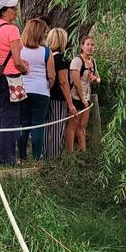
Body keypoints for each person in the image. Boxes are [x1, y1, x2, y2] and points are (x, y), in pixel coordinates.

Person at [0, 0, 30, 165]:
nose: (16, 10)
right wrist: (25, 69)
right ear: (4, 11)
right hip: (11, 77)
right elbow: (17, 60)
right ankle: (7, 157)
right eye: (13, 8)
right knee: (10, 117)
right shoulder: (12, 29)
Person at [17, 19, 55, 160]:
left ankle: (21, 156)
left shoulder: (19, 49)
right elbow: (51, 76)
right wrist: (48, 86)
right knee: (38, 124)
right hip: (41, 91)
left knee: (23, 123)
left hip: (22, 89)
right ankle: (37, 156)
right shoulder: (46, 52)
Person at [43, 28, 76, 159]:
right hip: (58, 97)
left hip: (46, 94)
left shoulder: (46, 56)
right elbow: (63, 82)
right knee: (57, 127)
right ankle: (54, 157)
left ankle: (44, 155)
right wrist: (70, 103)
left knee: (46, 127)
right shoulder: (62, 59)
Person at [66, 35, 101, 152]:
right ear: (82, 46)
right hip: (76, 96)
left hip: (86, 96)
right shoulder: (77, 61)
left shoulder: (93, 61)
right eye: (88, 44)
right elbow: (76, 82)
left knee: (82, 126)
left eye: (92, 45)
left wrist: (95, 78)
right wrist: (82, 99)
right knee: (73, 125)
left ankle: (83, 152)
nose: (90, 47)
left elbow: (97, 78)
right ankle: (69, 154)